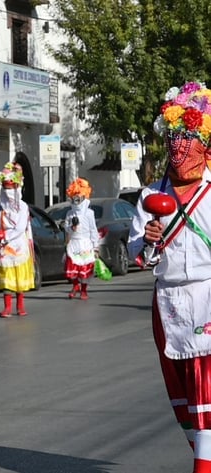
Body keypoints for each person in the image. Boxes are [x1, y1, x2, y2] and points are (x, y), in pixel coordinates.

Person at [129, 81, 211, 473]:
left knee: (205, 385)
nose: (181, 150)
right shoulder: (150, 195)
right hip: (167, 302)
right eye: (175, 140)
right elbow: (138, 256)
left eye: (190, 140)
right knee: (180, 388)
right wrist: (147, 240)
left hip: (208, 294)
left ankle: (204, 466)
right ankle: (202, 452)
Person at [0, 162, 35, 317]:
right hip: (4, 246)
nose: (8, 191)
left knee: (19, 276)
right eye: (6, 187)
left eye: (11, 187)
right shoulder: (0, 207)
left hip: (18, 243)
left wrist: (6, 237)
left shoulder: (23, 207)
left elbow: (20, 227)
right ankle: (7, 307)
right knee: (6, 276)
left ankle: (20, 305)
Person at [62, 178, 98, 300]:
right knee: (73, 267)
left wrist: (95, 246)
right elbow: (66, 229)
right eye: (74, 197)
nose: (76, 200)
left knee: (84, 268)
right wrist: (72, 227)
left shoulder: (89, 213)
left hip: (86, 244)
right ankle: (75, 286)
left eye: (78, 196)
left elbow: (93, 229)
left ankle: (83, 290)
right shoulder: (69, 213)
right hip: (74, 243)